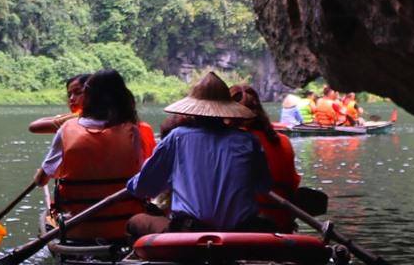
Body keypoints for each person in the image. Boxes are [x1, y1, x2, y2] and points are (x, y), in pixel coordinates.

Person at [124, 72, 271, 237]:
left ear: (193, 111)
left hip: (191, 233)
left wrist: (132, 184)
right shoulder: (248, 141)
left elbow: (144, 187)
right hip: (240, 232)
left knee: (136, 222)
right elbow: (263, 187)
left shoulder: (177, 137)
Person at [34, 69, 150, 241]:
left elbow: (41, 181)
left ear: (87, 97)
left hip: (76, 229)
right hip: (125, 229)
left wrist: (39, 175)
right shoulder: (132, 131)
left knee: (51, 214)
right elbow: (141, 181)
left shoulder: (67, 129)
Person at [231, 82, 301, 232]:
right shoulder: (283, 140)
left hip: (245, 224)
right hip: (281, 220)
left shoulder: (231, 142)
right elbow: (292, 185)